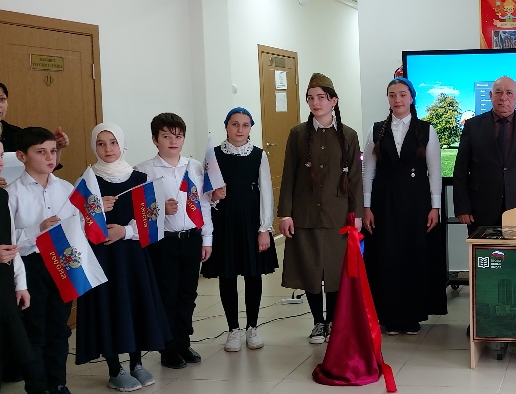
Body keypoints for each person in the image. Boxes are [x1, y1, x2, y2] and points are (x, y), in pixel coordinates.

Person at [76, 123, 170, 391]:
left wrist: (125, 232)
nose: (108, 149)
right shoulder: (87, 181)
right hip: (102, 258)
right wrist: (95, 209)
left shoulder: (139, 178)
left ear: (122, 145)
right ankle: (114, 368)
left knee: (134, 306)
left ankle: (136, 363)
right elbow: (75, 224)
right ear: (94, 147)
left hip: (132, 256)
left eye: (113, 142)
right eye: (101, 143)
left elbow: (152, 220)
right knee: (110, 308)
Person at [278, 73, 362, 345]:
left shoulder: (348, 135)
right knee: (311, 270)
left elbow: (356, 179)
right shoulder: (297, 134)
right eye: (310, 98)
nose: (315, 103)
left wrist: (358, 214)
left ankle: (335, 322)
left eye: (321, 98)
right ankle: (318, 322)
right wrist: (285, 213)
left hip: (338, 214)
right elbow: (289, 175)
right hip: (305, 214)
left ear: (333, 101)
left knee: (335, 271)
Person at [362, 78, 447, 336]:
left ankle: (412, 316)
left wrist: (435, 207)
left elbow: (434, 171)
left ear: (411, 97)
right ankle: (389, 316)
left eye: (402, 94)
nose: (397, 99)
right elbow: (368, 171)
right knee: (387, 257)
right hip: (384, 203)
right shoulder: (376, 130)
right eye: (392, 95)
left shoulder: (427, 130)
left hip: (417, 203)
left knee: (413, 257)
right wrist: (366, 206)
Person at [134, 113, 213, 370]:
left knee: (188, 295)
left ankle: (183, 342)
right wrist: (159, 209)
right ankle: (167, 348)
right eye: (166, 136)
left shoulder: (194, 167)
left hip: (191, 238)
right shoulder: (143, 171)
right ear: (155, 139)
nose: (173, 141)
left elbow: (203, 204)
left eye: (178, 136)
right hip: (163, 242)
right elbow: (139, 212)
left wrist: (207, 238)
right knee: (167, 295)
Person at [6, 127, 81, 394]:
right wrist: (37, 229)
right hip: (31, 266)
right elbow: (8, 239)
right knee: (35, 330)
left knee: (59, 328)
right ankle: (37, 387)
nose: (50, 157)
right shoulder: (12, 193)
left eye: (52, 151)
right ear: (21, 156)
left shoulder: (66, 188)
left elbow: (77, 227)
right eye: (40, 152)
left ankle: (58, 383)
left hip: (61, 263)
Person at [202, 108, 278, 352]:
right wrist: (214, 196)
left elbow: (266, 192)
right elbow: (204, 193)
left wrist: (264, 228)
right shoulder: (213, 155)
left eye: (245, 125)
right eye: (235, 124)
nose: (240, 129)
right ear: (226, 126)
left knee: (253, 274)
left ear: (250, 128)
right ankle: (233, 329)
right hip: (224, 220)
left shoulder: (258, 155)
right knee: (228, 275)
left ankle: (252, 326)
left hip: (250, 220)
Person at [453, 76, 516, 236]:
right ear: (490, 95)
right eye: (498, 92)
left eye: (509, 93)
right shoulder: (473, 126)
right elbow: (460, 171)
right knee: (483, 252)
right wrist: (462, 207)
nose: (503, 97)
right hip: (481, 211)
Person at [0, 134, 35, 394]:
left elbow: (11, 244)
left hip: (2, 288)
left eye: (0, 155)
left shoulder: (1, 196)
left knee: (7, 351)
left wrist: (20, 284)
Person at [0, 81, 70, 187]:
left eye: (2, 99)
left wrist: (56, 148)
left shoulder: (18, 134)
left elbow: (46, 167)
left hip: (23, 192)